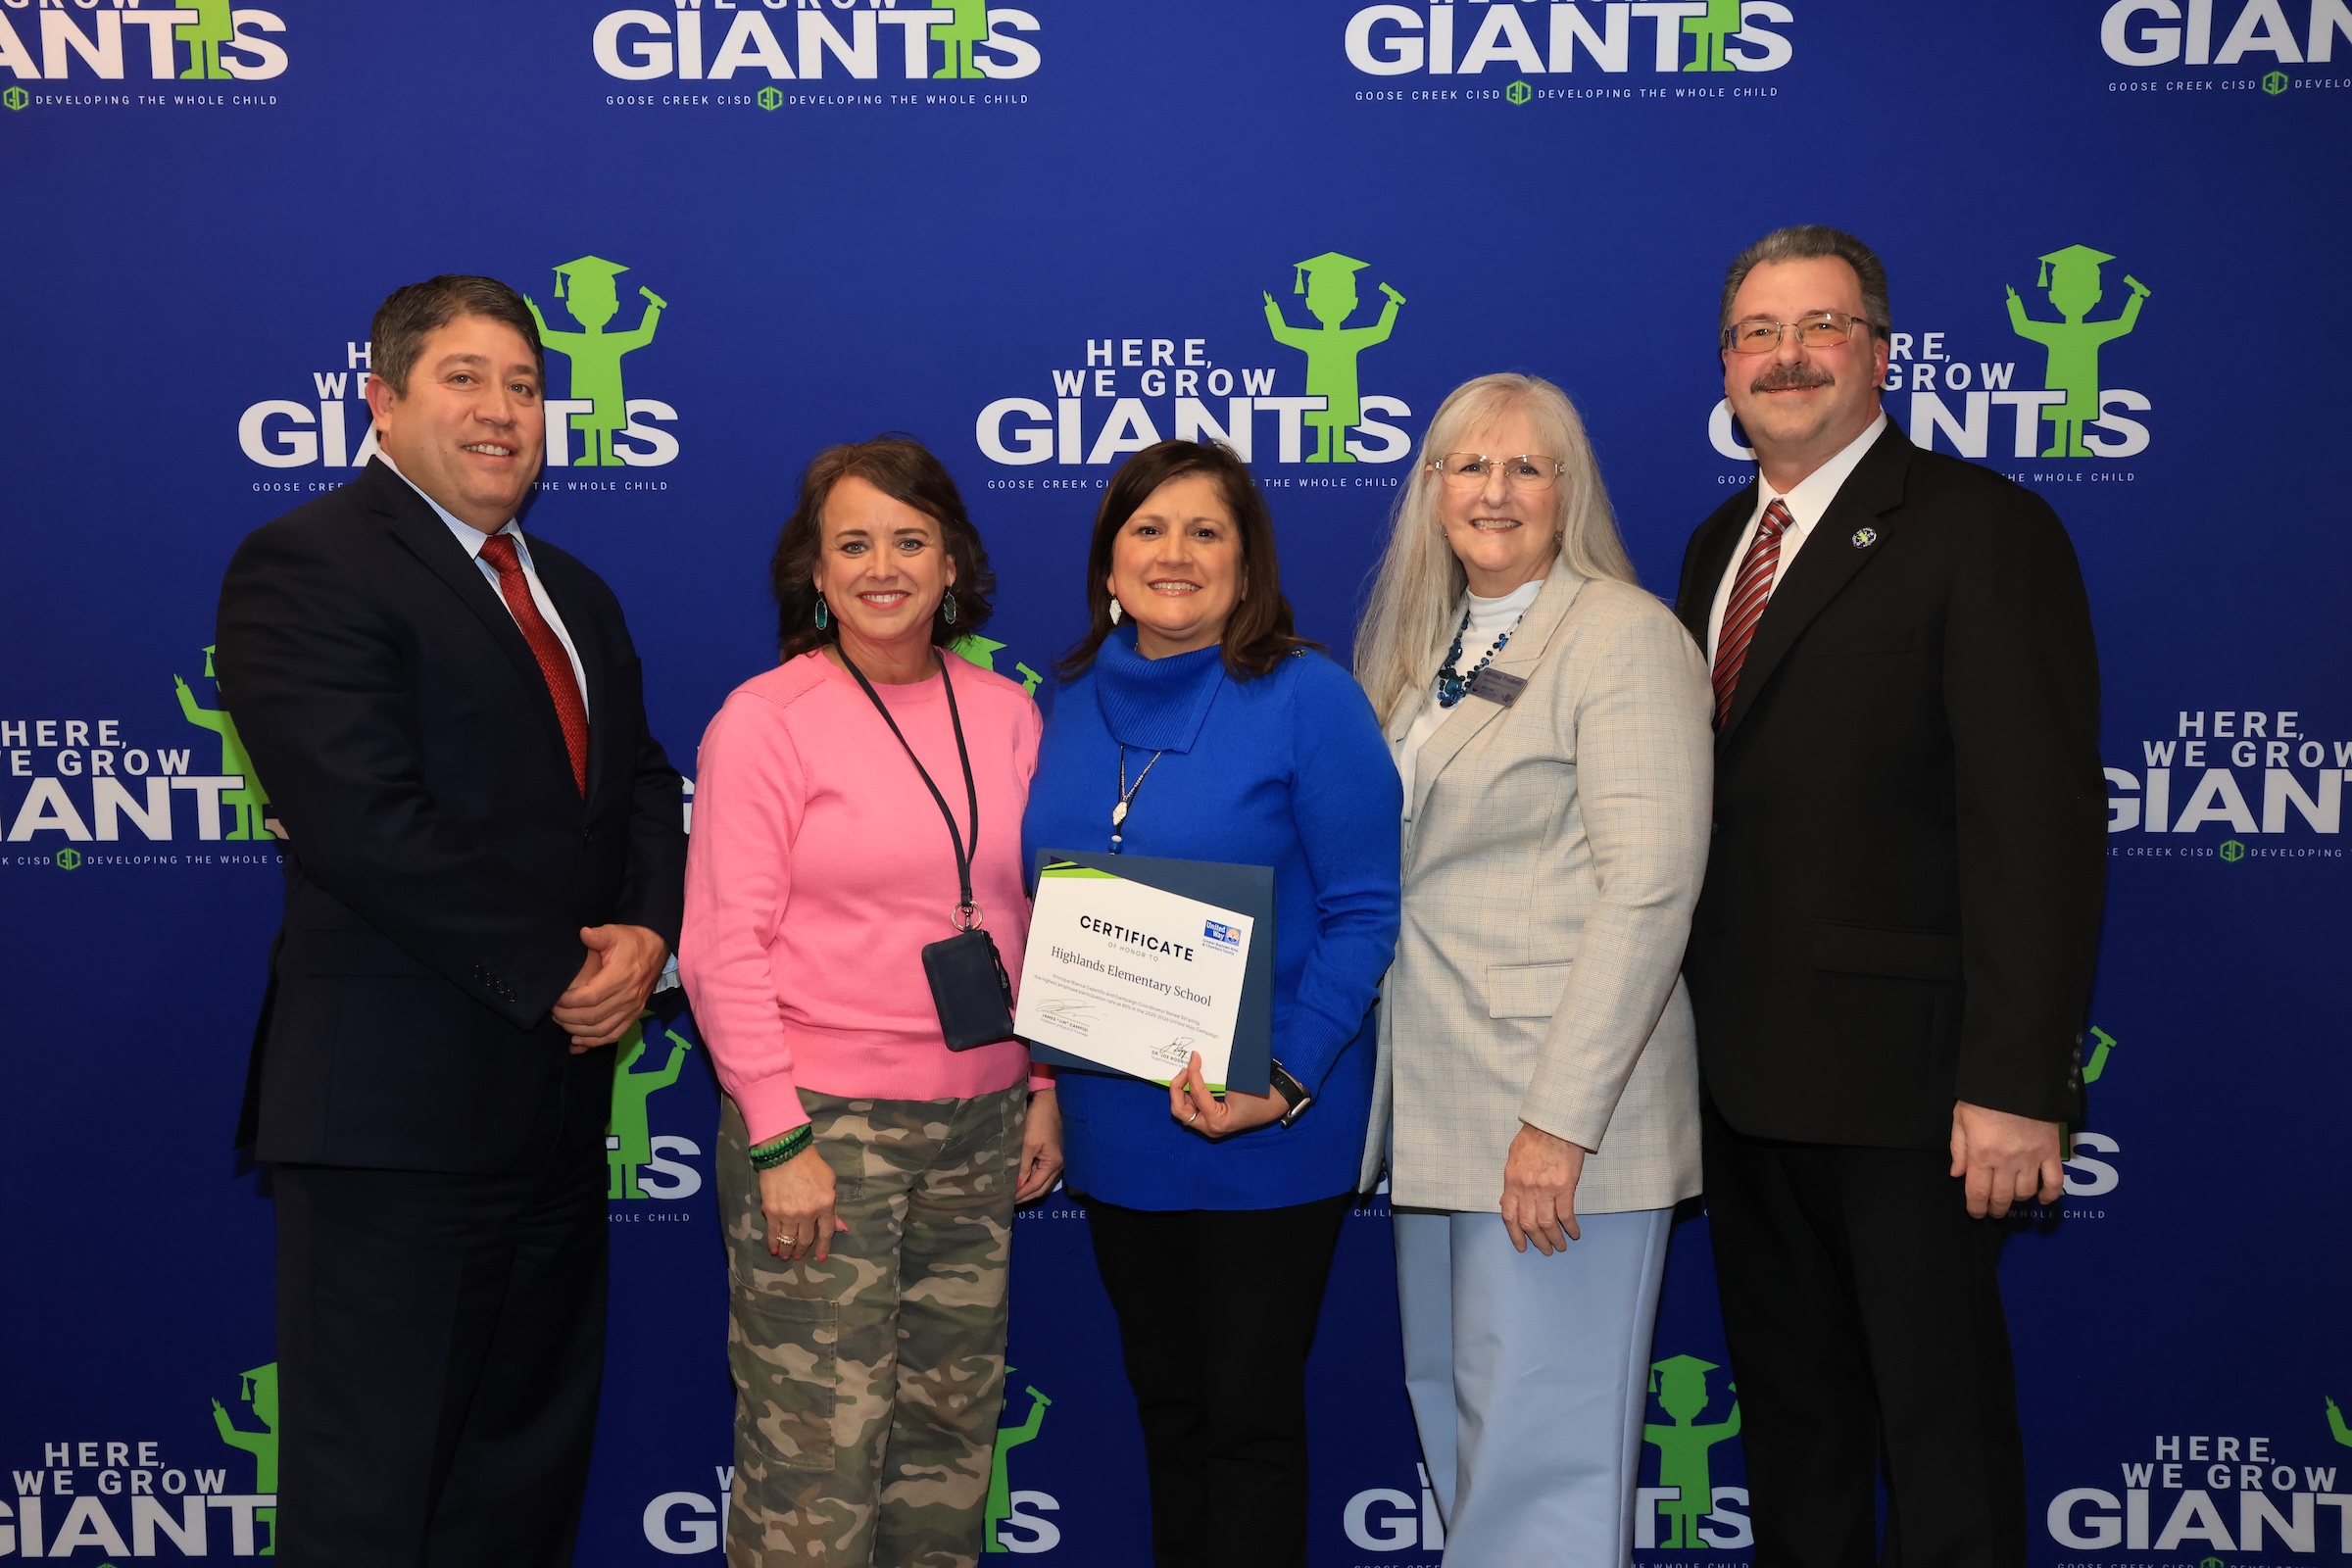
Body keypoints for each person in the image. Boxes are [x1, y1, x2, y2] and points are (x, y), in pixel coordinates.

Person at [215, 273, 688, 1567]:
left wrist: (646, 939)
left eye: (526, 387)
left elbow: (640, 781)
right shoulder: (305, 562)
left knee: (518, 1482)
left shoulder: (573, 590)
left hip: (553, 1113)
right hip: (394, 1126)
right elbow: (366, 818)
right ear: (382, 401)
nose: (502, 411)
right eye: (465, 379)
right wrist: (558, 973)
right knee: (374, 1494)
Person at [1678, 225, 2104, 1565]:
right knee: (1798, 1443)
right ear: (1727, 363)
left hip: (1917, 1098)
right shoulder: (1712, 548)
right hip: (1741, 1087)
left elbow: (2035, 826)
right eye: (1757, 333)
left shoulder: (1985, 530)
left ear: (1879, 347)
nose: (1786, 357)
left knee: (1941, 1441)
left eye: (1820, 327)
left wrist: (2020, 1080)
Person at [679, 436, 1064, 1567]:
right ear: (815, 569)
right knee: (817, 1458)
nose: (882, 565)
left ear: (955, 566)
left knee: (948, 1447)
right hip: (822, 1129)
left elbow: (1030, 912)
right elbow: (719, 947)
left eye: (910, 539)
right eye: (853, 542)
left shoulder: (1006, 712)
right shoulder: (767, 719)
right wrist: (777, 1128)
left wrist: (1041, 1083)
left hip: (982, 1124)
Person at [1020, 438, 1401, 1568]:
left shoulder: (1310, 697)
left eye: (1205, 532)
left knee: (1245, 1427)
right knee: (1170, 1415)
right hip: (1118, 1128)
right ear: (1107, 560)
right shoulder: (1067, 699)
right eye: (1148, 528)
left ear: (1248, 567)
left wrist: (1278, 1080)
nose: (1173, 553)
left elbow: (1366, 913)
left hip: (1267, 1131)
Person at [1354, 372, 1712, 1565]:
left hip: (1555, 1126)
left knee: (1544, 1466)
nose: (1494, 491)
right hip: (1439, 1111)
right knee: (1469, 1442)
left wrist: (1559, 1123)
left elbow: (1652, 882)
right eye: (1468, 465)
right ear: (1431, 489)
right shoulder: (1418, 645)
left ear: (1569, 491)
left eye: (1526, 467)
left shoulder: (1622, 634)